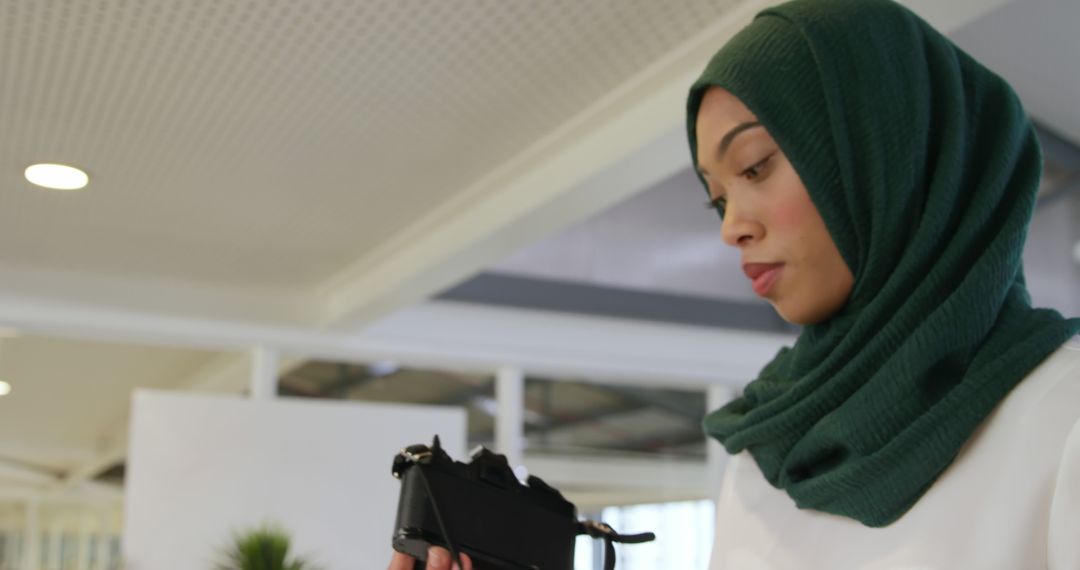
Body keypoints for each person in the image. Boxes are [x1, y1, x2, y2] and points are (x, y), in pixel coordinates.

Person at [391, 0, 1080, 568]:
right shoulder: (766, 457)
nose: (731, 229)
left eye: (754, 168)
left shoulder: (1063, 417)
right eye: (717, 198)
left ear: (888, 147)